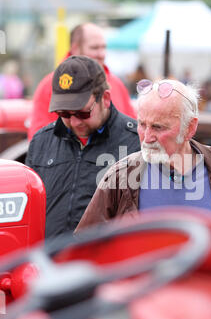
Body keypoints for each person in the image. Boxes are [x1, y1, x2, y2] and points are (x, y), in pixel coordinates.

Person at [75, 78, 211, 246]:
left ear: (190, 128)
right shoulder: (120, 177)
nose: (147, 137)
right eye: (142, 124)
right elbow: (83, 248)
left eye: (158, 127)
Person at [26, 55, 140, 239]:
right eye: (63, 113)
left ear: (106, 98)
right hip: (50, 263)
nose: (74, 121)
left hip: (107, 263)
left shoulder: (137, 142)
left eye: (82, 112)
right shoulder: (41, 142)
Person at [27, 23, 136, 141]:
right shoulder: (50, 86)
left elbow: (133, 130)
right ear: (75, 49)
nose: (101, 54)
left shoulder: (116, 84)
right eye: (94, 48)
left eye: (103, 47)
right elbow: (40, 140)